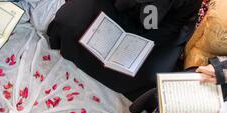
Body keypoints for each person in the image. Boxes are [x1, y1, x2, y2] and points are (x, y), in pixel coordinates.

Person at [47, 0, 202, 100]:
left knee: (152, 75)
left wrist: (142, 40)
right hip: (115, 9)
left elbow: (175, 24)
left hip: (158, 31)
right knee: (68, 23)